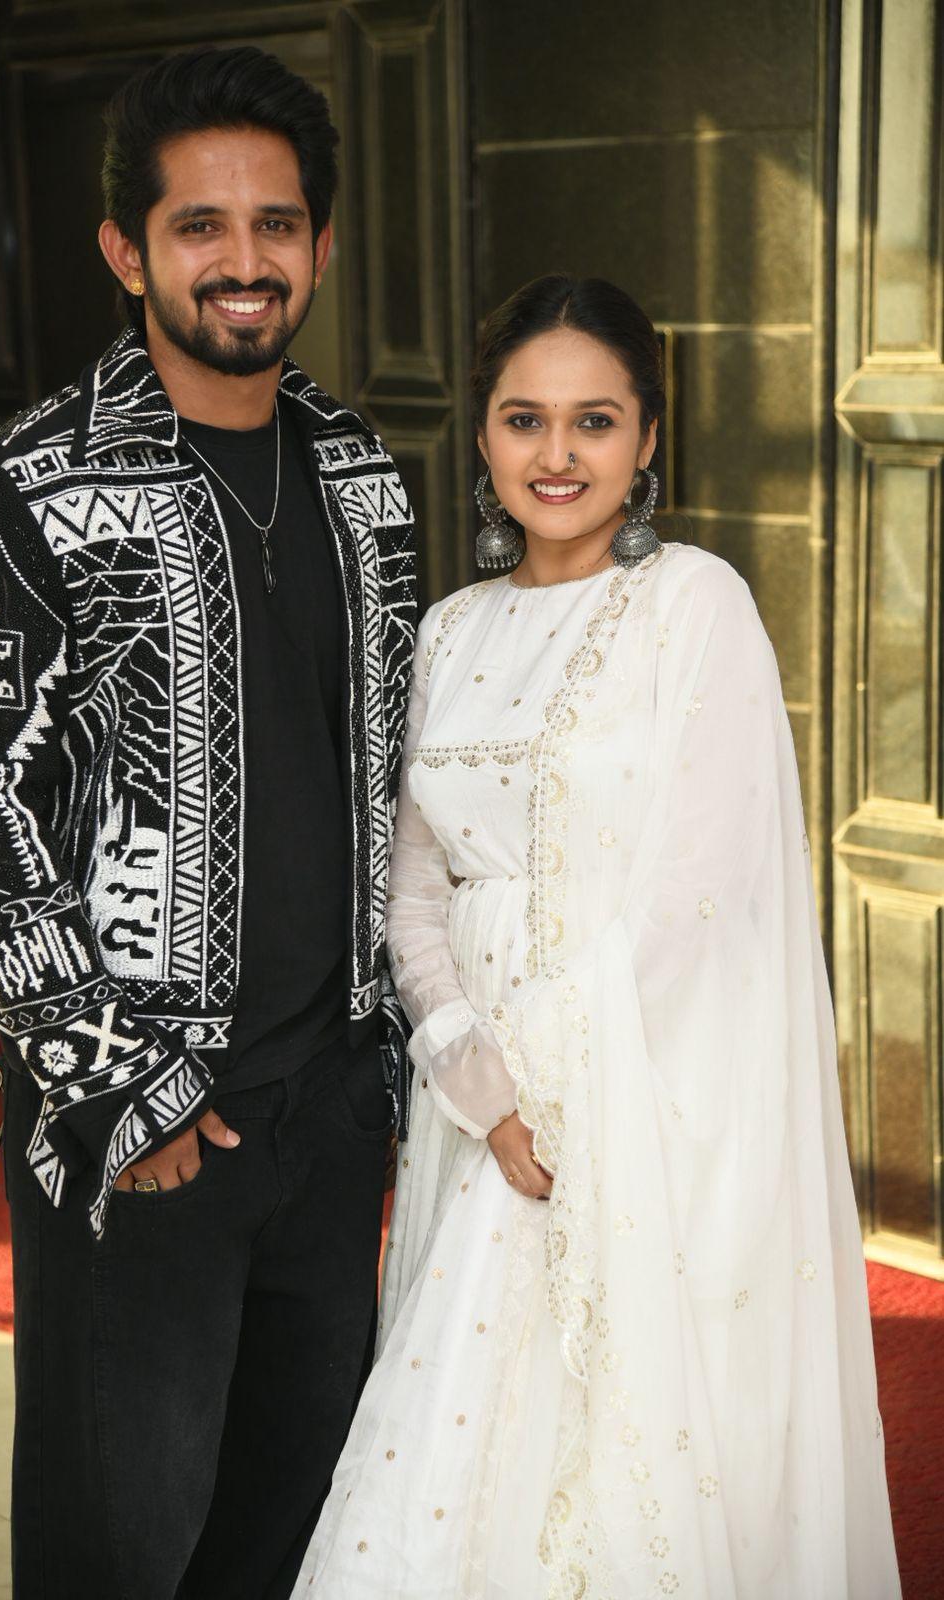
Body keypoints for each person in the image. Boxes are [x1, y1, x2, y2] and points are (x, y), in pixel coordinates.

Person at [294, 275, 901, 1599]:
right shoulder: (447, 632)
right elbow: (410, 893)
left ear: (647, 437)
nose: (556, 455)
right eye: (525, 419)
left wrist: (556, 1093)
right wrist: (477, 1079)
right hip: (478, 1107)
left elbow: (701, 893)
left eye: (594, 420)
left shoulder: (693, 604)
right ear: (483, 434)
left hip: (635, 1096)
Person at [0, 45, 416, 1600]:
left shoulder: (364, 479)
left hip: (330, 1115)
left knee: (289, 1527)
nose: (243, 259)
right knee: (118, 1547)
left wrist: (391, 1062)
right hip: (144, 1131)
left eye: (277, 224)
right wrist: (115, 1085)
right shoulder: (26, 486)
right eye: (200, 225)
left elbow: (393, 767)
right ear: (127, 252)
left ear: (320, 247)